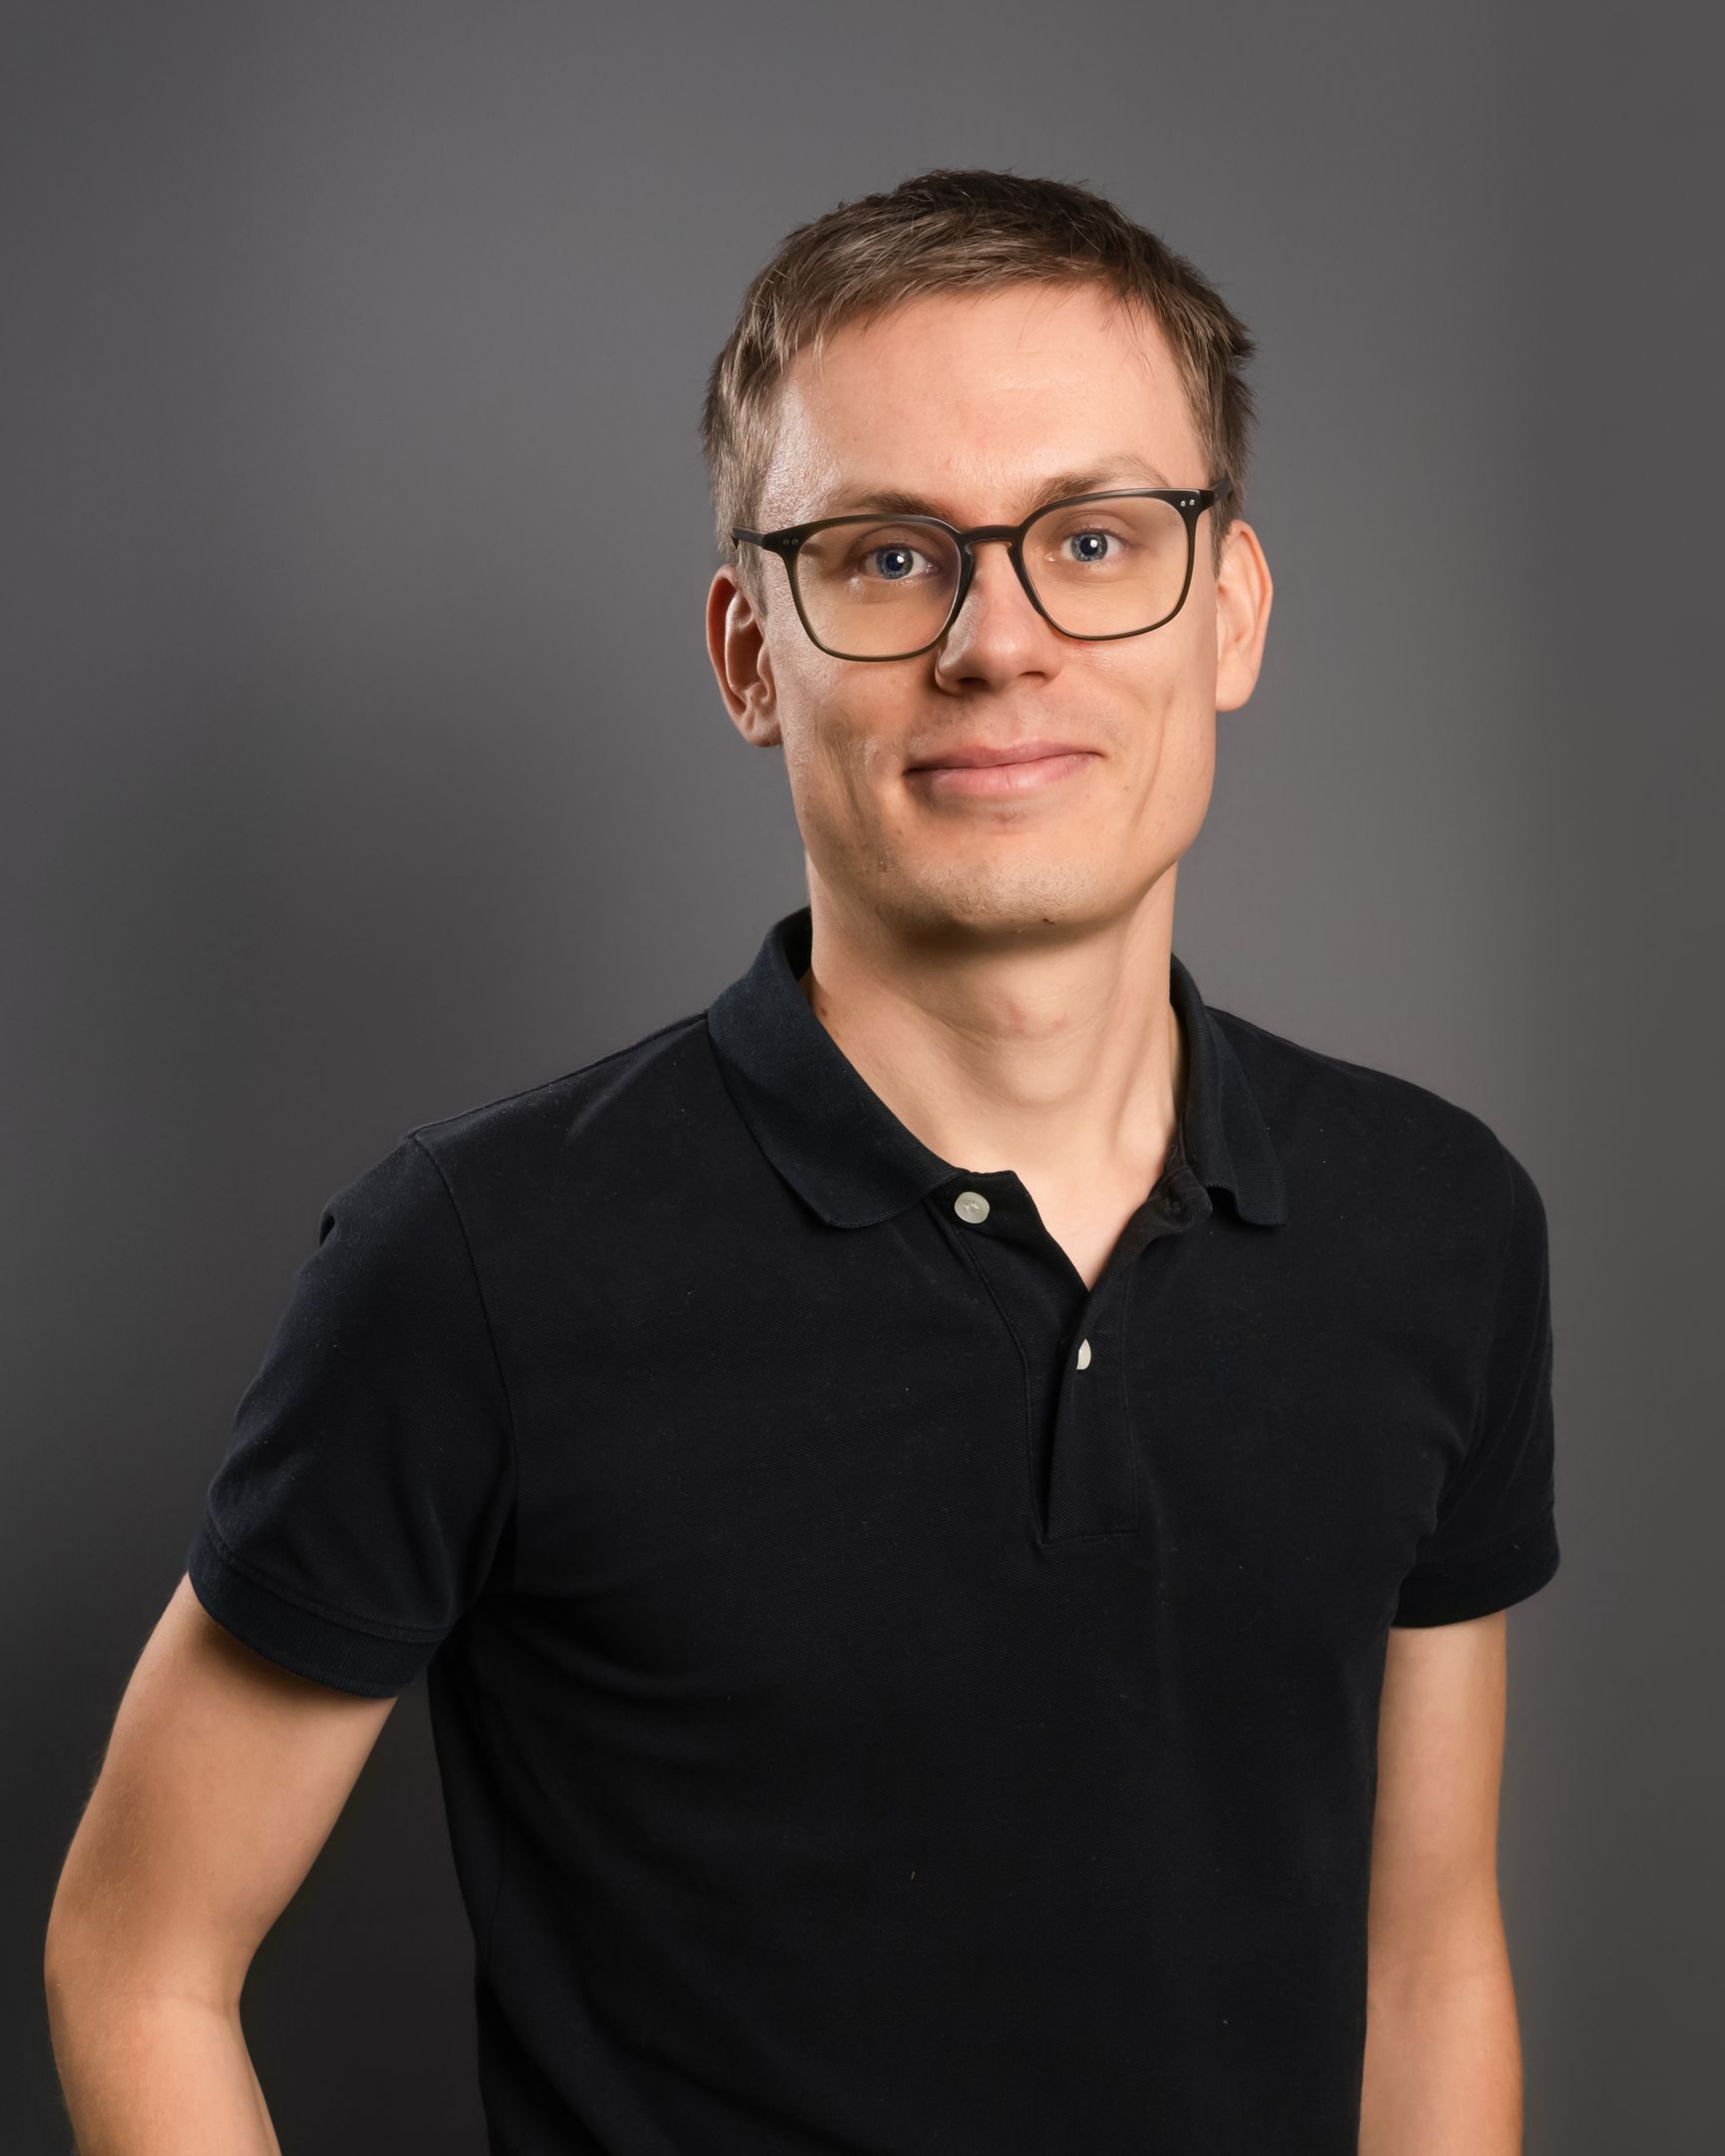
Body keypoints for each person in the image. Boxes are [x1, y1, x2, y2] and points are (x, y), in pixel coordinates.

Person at [45, 168, 1560, 2155]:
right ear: (750, 653)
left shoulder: (1436, 1225)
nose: (1000, 642)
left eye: (1094, 539)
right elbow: (139, 1956)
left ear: (1231, 612)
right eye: (889, 557)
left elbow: (1427, 1969)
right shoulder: (481, 1262)